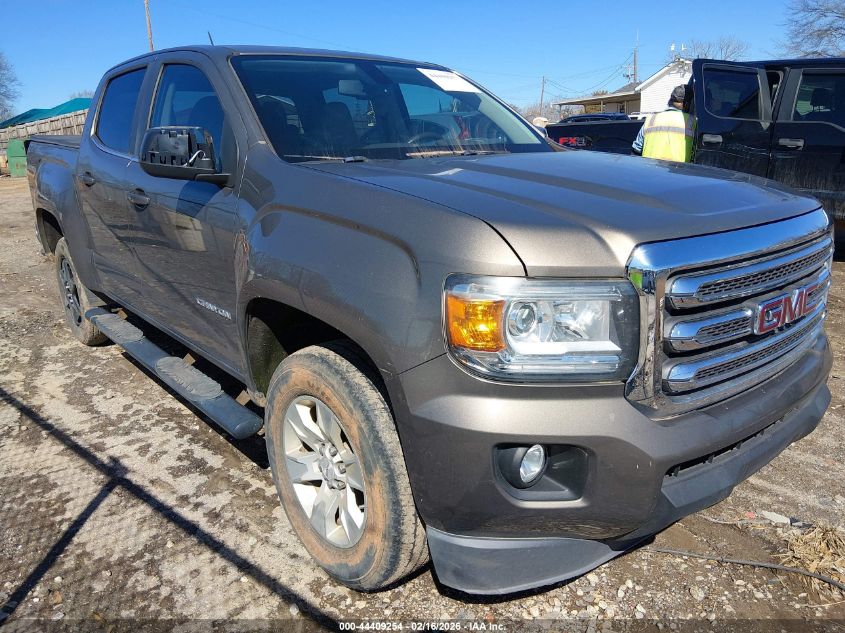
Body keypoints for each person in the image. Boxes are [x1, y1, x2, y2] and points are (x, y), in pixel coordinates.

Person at [632, 84, 694, 162]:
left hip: (649, 172)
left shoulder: (651, 119)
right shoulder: (692, 122)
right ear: (687, 104)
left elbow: (636, 150)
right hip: (679, 172)